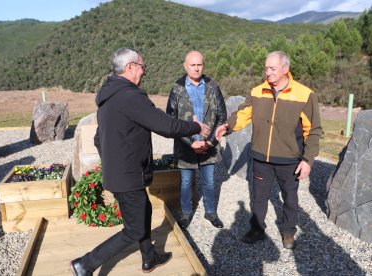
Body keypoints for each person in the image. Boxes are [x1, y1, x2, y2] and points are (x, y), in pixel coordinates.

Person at [70, 48, 210, 276]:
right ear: (130, 67)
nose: (144, 72)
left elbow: (99, 139)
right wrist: (196, 127)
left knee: (142, 211)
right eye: (143, 67)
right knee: (134, 229)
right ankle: (85, 264)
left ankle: (149, 257)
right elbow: (166, 126)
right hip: (128, 175)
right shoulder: (129, 97)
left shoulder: (109, 97)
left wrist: (115, 162)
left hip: (123, 173)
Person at [216, 51, 322, 250]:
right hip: (260, 158)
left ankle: (289, 230)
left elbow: (313, 131)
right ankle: (257, 229)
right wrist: (227, 126)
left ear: (285, 69)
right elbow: (243, 113)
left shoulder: (305, 95)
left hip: (290, 159)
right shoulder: (257, 92)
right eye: (266, 68)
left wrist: (307, 160)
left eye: (272, 68)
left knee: (290, 197)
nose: (268, 73)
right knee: (259, 196)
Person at [166, 50, 227, 229]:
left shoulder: (213, 86)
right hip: (186, 146)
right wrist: (191, 142)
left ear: (203, 65)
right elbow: (170, 120)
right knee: (185, 182)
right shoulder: (177, 88)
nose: (196, 68)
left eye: (199, 64)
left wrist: (210, 142)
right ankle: (186, 213)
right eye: (192, 65)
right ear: (185, 66)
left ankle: (211, 212)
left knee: (209, 181)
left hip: (209, 145)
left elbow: (222, 116)